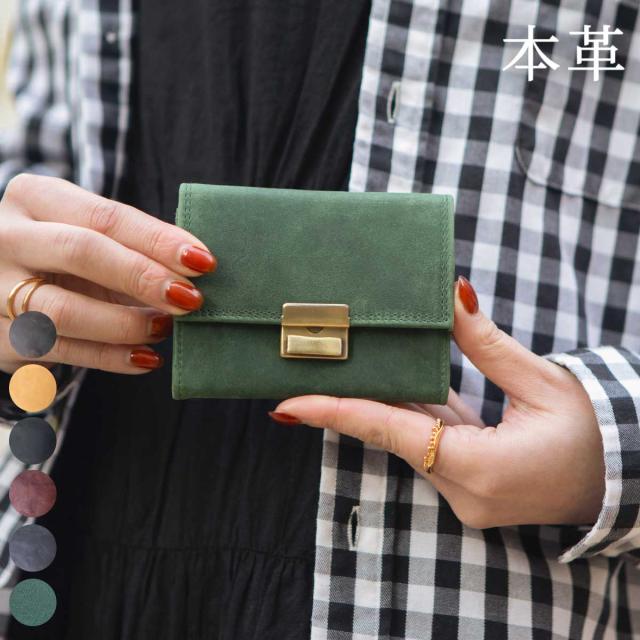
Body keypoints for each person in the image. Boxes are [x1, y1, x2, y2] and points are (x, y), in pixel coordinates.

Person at [0, 0, 639, 638]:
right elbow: (34, 179)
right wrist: (21, 303)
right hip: (82, 549)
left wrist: (613, 450)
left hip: (469, 580)